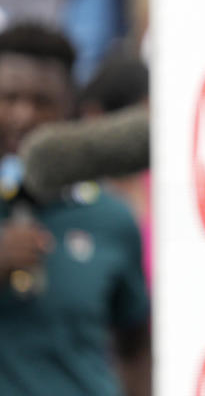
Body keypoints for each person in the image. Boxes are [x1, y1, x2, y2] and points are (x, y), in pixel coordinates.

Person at [0, 23, 150, 396]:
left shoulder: (110, 217)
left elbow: (135, 344)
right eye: (9, 97)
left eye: (41, 101)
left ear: (70, 107)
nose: (24, 116)